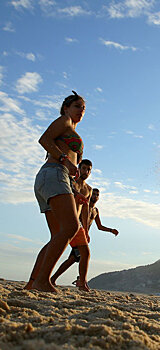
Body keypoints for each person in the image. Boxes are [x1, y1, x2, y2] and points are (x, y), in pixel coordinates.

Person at [25, 91, 87, 292]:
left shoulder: (71, 127)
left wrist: (73, 190)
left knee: (57, 236)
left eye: (83, 108)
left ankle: (33, 282)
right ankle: (43, 280)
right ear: (66, 108)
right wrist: (64, 161)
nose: (81, 110)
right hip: (54, 174)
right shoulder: (64, 121)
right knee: (70, 228)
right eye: (77, 106)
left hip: (53, 179)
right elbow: (44, 139)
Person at [50, 186, 119, 291]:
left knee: (74, 258)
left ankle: (57, 279)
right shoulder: (82, 205)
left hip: (84, 236)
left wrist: (111, 230)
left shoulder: (95, 211)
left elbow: (99, 226)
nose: (95, 196)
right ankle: (80, 281)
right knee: (78, 257)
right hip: (77, 233)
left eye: (97, 195)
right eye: (94, 194)